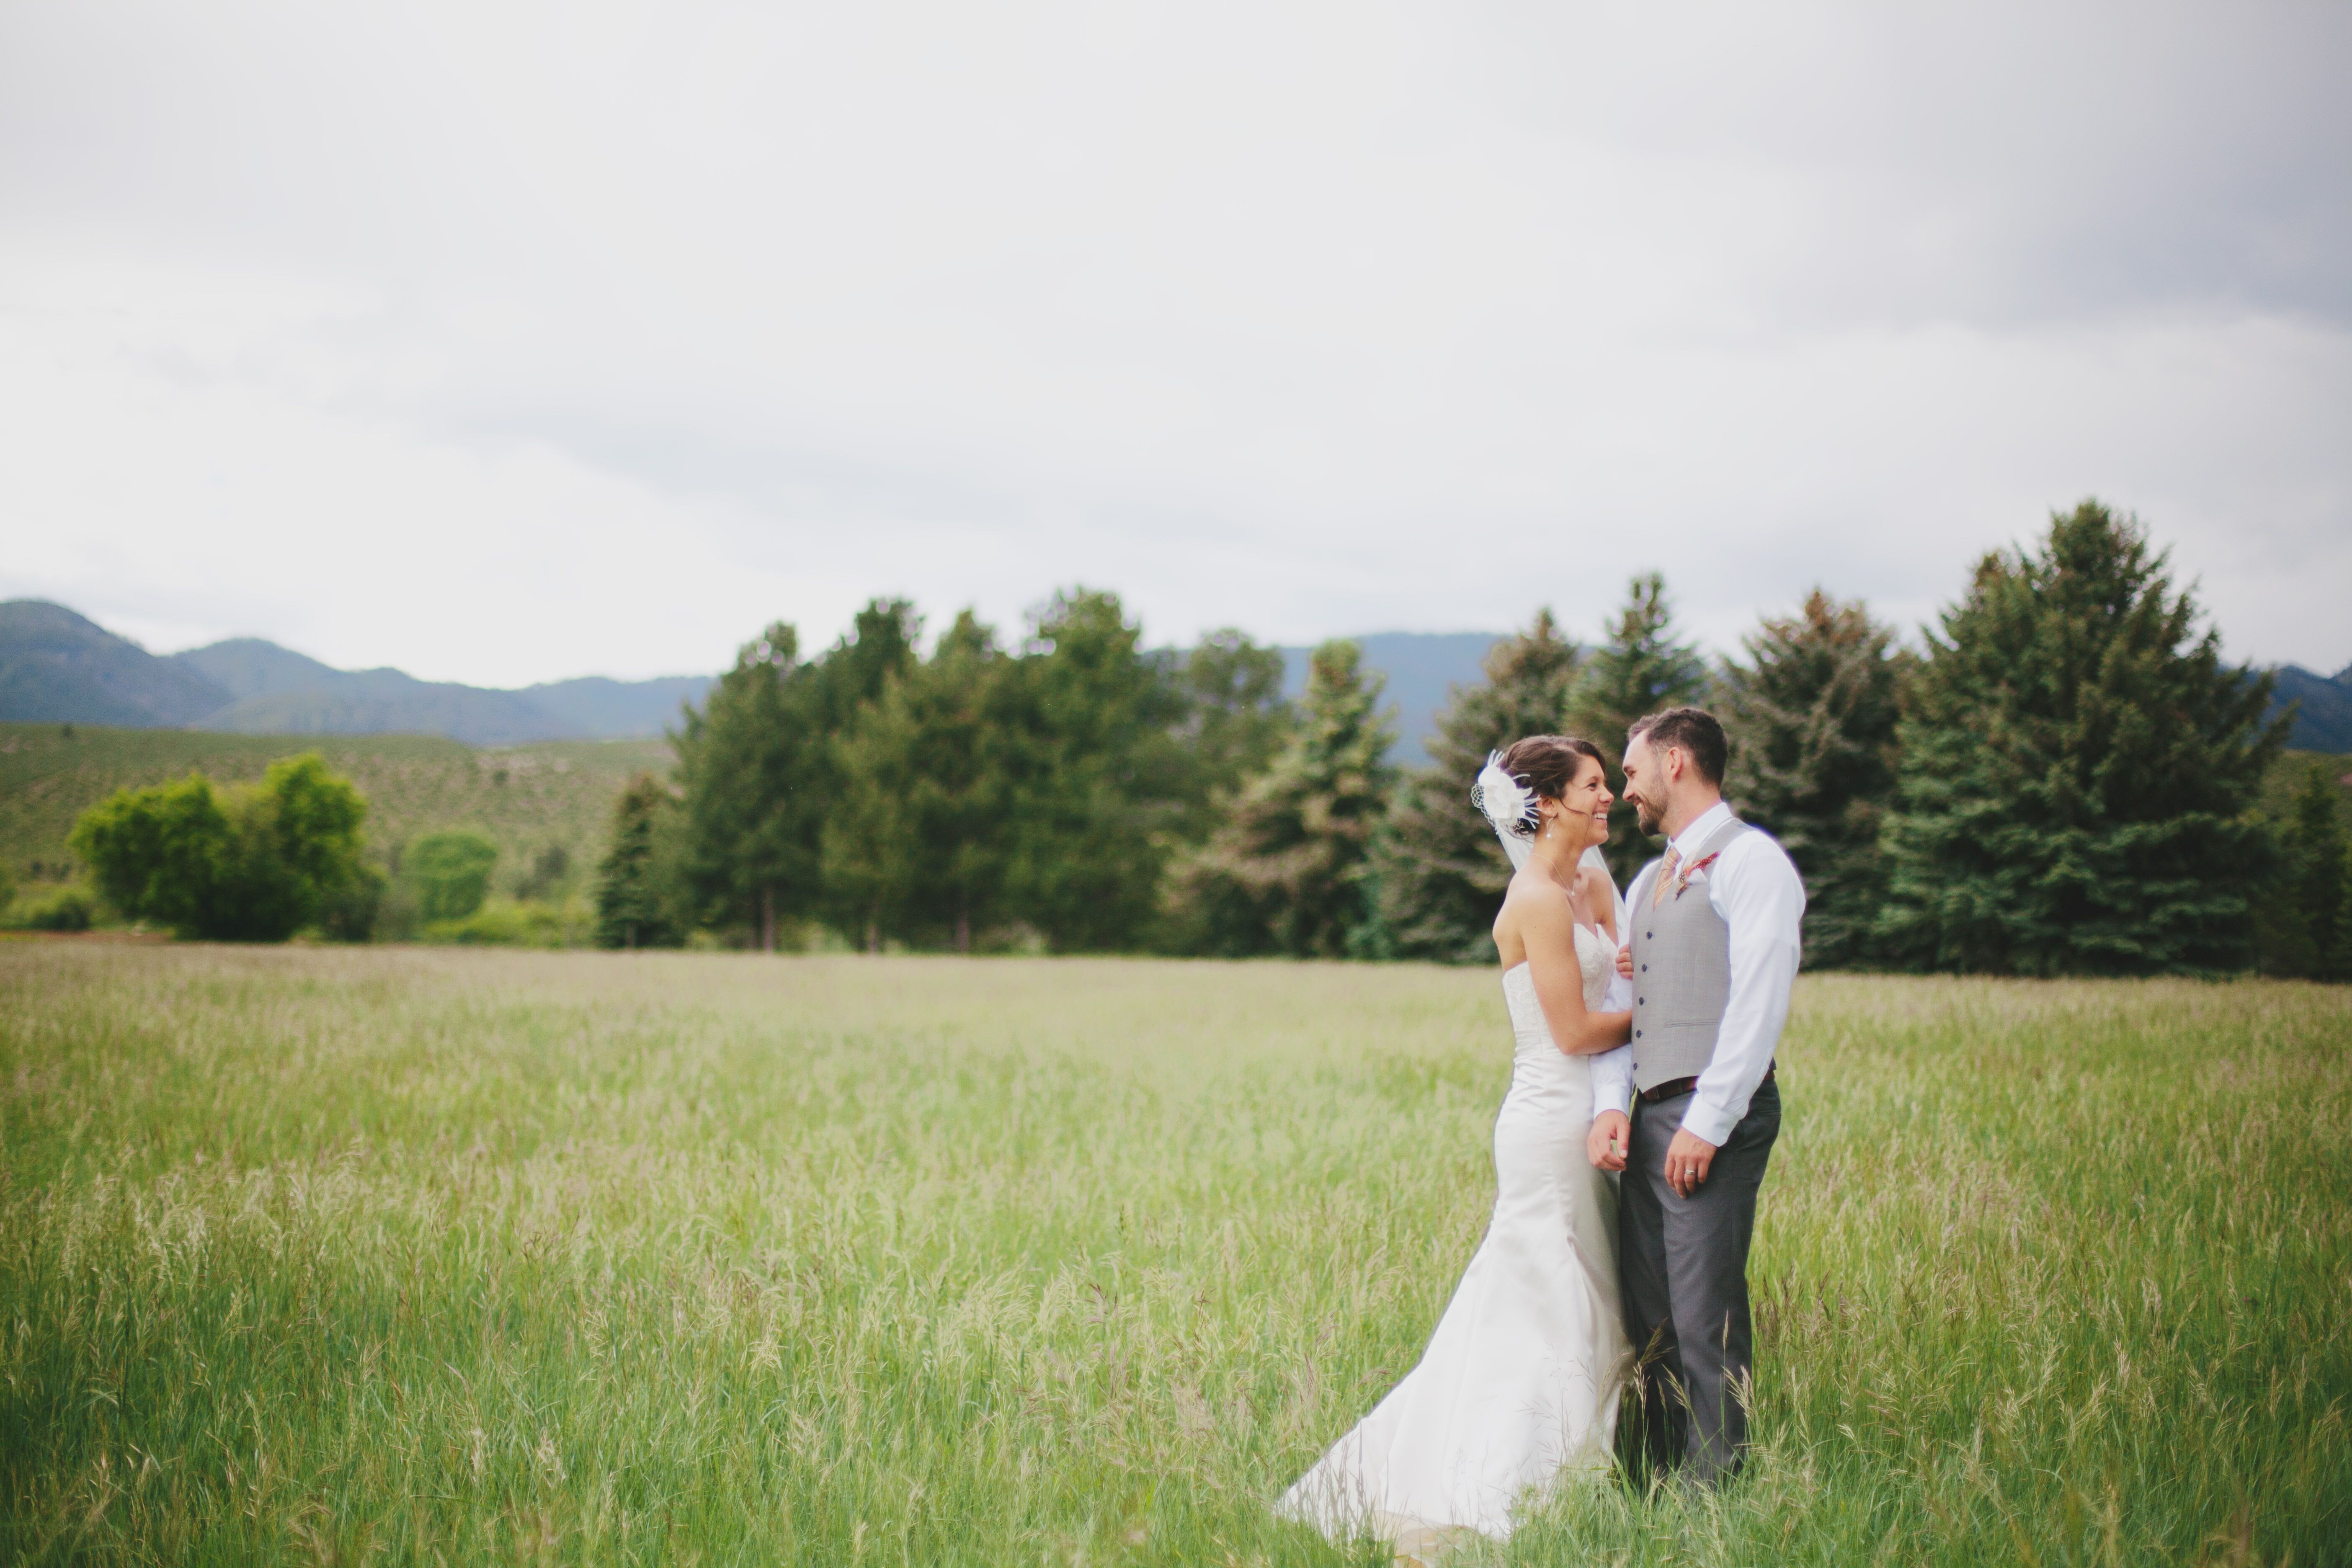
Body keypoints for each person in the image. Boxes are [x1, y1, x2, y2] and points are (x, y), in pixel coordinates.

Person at [1279, 735, 1634, 1560]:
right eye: (1593, 785)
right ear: (1547, 804)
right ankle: (1507, 1479)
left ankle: (1581, 1459)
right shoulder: (1535, 901)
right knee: (1546, 1297)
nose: (1609, 796)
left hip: (1599, 1109)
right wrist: (1674, 1018)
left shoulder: (1593, 882)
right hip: (1549, 1118)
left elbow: (1616, 979)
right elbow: (1578, 1029)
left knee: (1594, 1296)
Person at [1586, 706, 1804, 1486]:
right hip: (1649, 1114)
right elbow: (1628, 996)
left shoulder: (1754, 865)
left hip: (1713, 1114)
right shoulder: (1650, 877)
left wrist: (1708, 1122)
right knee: (1650, 1313)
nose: (1626, 788)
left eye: (1633, 770)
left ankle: (1718, 1487)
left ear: (1676, 763)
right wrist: (1614, 1104)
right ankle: (1651, 1476)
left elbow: (1759, 1001)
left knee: (1705, 1309)